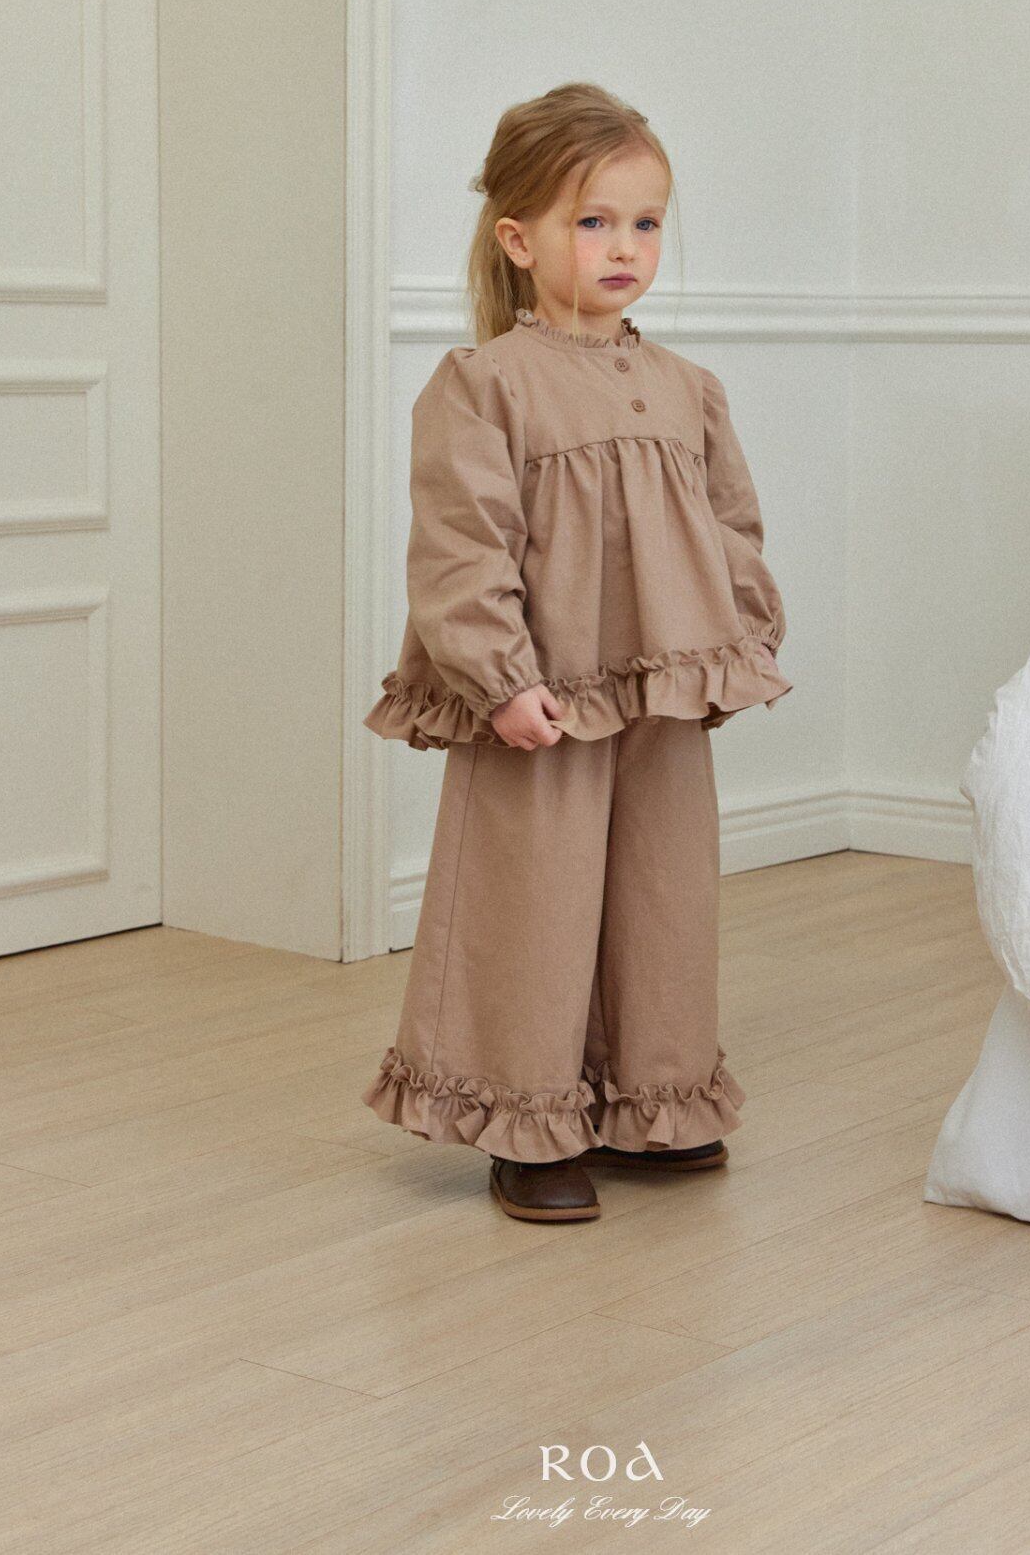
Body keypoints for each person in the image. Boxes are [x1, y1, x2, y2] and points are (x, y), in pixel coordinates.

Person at [361, 81, 793, 1223]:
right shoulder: (484, 386)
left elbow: (730, 525)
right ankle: (527, 1117)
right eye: (592, 221)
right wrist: (500, 677)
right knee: (533, 900)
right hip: (541, 697)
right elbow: (461, 546)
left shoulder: (688, 389)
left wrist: (735, 641)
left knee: (663, 891)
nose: (624, 246)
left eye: (645, 222)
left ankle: (651, 1099)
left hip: (657, 690)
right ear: (520, 239)